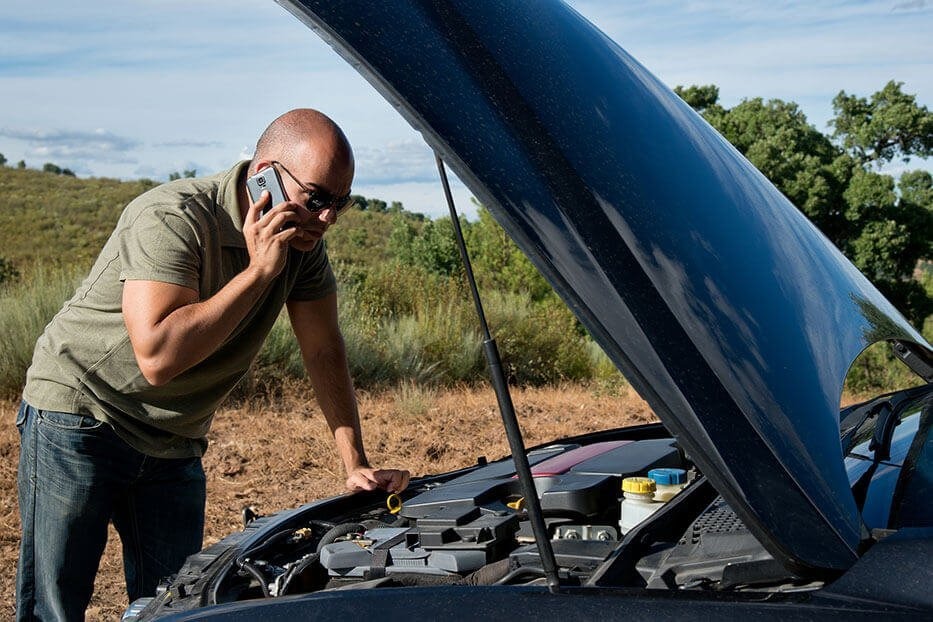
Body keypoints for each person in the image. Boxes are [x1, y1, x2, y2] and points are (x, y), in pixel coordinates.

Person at [15, 108, 410, 621]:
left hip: (174, 437)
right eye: (316, 198)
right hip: (81, 413)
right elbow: (158, 357)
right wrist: (259, 272)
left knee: (180, 607)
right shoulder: (172, 216)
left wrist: (354, 461)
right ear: (265, 172)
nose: (328, 218)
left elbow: (323, 350)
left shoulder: (303, 242)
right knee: (55, 607)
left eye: (341, 202)